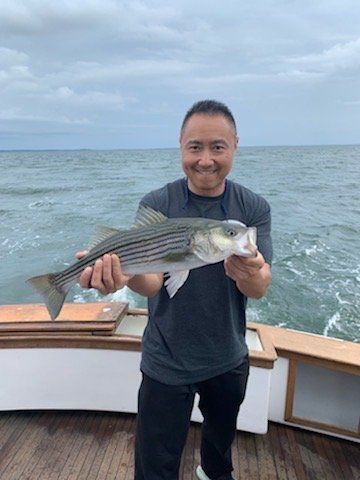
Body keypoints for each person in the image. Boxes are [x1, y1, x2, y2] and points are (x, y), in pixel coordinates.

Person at [77, 100, 272, 480]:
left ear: (234, 146)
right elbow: (152, 282)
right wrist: (123, 274)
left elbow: (260, 287)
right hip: (165, 360)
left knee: (218, 454)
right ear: (181, 146)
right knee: (155, 466)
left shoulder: (252, 207)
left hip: (228, 357)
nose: (205, 159)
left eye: (218, 147)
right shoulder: (157, 203)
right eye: (194, 147)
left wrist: (248, 271)